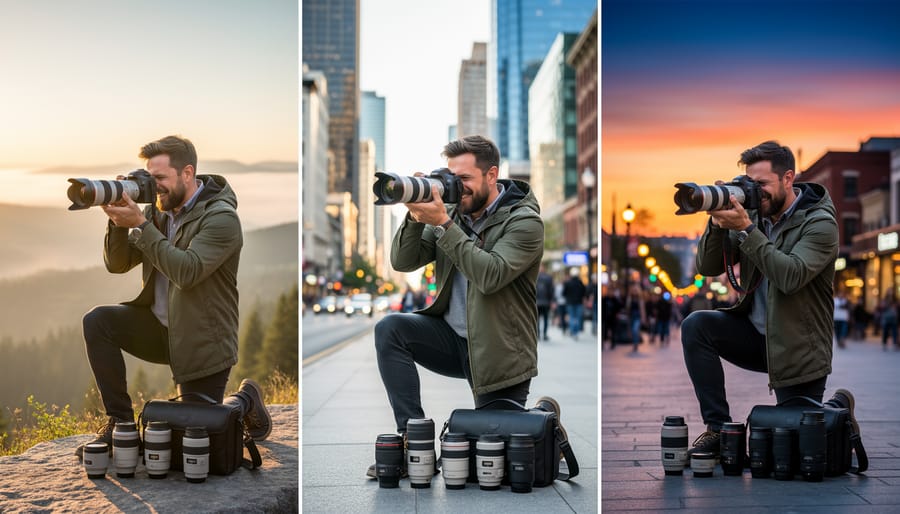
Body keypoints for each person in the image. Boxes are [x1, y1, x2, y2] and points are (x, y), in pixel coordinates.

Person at [367, 135, 555, 478]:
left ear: (491, 175)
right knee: (390, 329)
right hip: (451, 340)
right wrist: (414, 215)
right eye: (452, 177)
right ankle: (415, 442)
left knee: (489, 454)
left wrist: (443, 224)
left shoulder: (525, 221)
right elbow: (403, 261)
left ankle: (543, 416)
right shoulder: (452, 212)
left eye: (464, 179)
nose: (457, 187)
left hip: (500, 352)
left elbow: (491, 274)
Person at [75, 135, 271, 459]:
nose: (155, 189)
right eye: (149, 179)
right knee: (97, 322)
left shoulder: (222, 219)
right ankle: (120, 424)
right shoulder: (158, 213)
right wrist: (117, 222)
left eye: (160, 179)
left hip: (202, 341)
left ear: (187, 173)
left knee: (195, 437)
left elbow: (187, 272)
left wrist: (139, 223)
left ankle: (246, 399)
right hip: (159, 329)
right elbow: (117, 264)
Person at [680, 140, 857, 460]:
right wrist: (717, 223)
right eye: (750, 183)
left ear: (788, 179)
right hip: (754, 337)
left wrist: (746, 229)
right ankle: (718, 429)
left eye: (762, 184)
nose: (754, 191)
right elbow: (708, 267)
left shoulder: (819, 223)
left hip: (797, 349)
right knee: (697, 325)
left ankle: (837, 406)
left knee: (792, 450)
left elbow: (790, 277)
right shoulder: (753, 214)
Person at [562, 268, 587, 340]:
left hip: (570, 303)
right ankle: (576, 332)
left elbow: (564, 293)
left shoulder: (568, 283)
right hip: (579, 302)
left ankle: (573, 331)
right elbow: (584, 292)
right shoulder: (580, 283)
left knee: (572, 317)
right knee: (578, 318)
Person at [535, 264, 554, 341]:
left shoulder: (535, 277)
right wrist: (551, 300)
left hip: (538, 302)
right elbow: (551, 290)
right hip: (546, 302)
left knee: (537, 319)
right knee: (545, 319)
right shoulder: (548, 278)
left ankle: (539, 334)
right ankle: (545, 334)